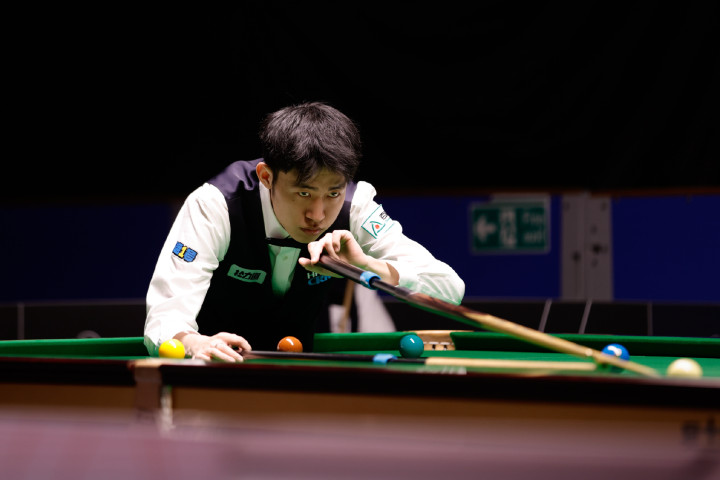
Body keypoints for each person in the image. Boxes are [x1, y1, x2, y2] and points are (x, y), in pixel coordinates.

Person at [144, 102, 465, 361]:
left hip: (301, 378)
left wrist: (367, 266)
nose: (318, 215)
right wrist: (193, 342)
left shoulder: (356, 207)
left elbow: (449, 288)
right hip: (214, 375)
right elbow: (165, 317)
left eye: (333, 193)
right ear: (267, 177)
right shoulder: (216, 205)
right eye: (303, 193)